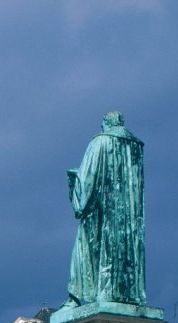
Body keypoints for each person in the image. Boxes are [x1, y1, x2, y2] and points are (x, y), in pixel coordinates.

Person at [64, 111, 146, 308]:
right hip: (129, 220)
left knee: (83, 252)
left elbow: (86, 180)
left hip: (99, 215)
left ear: (106, 124)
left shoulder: (99, 142)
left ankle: (77, 298)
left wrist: (74, 186)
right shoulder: (136, 147)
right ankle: (128, 295)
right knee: (126, 254)